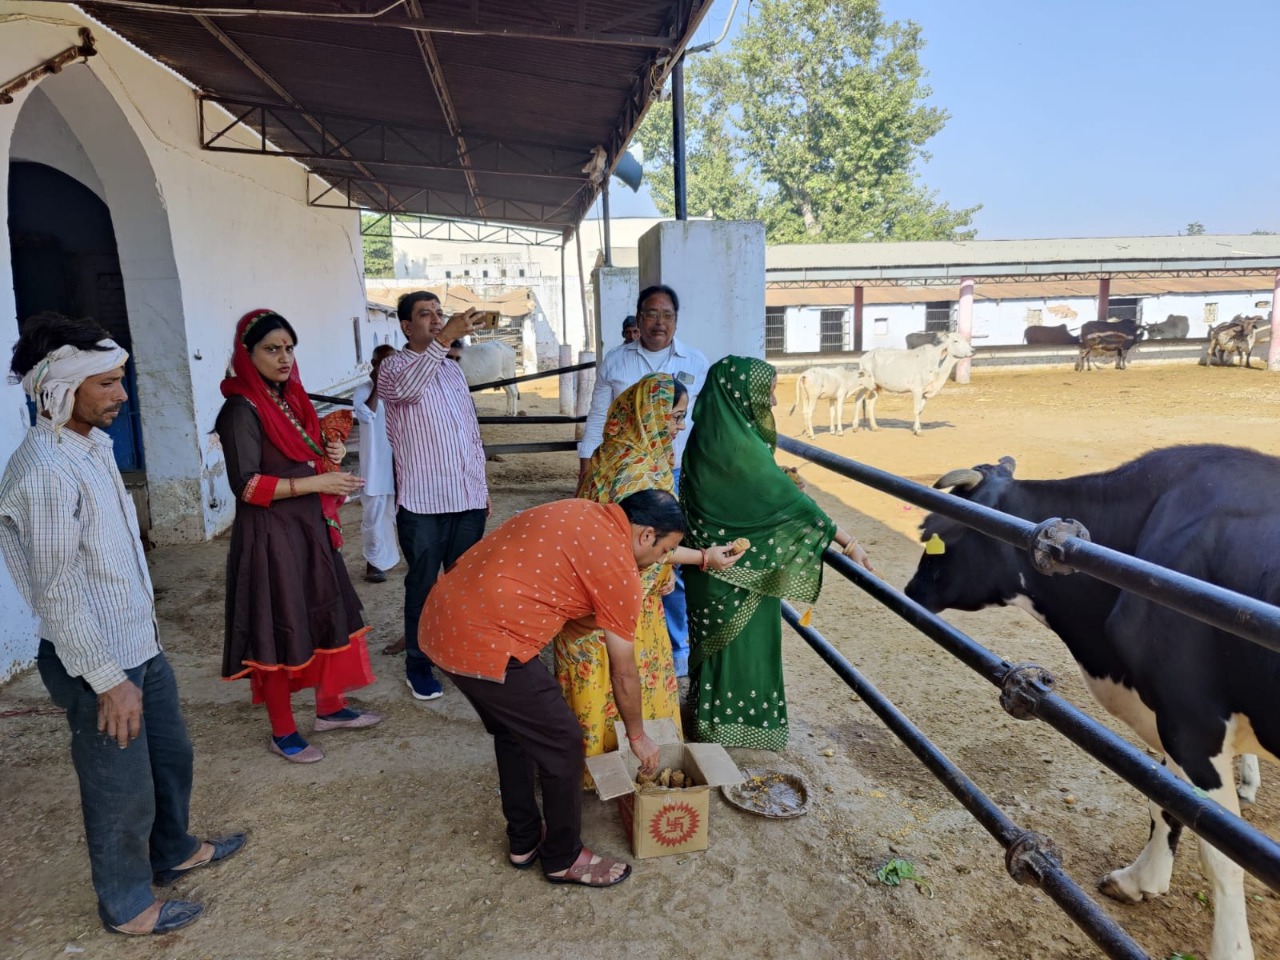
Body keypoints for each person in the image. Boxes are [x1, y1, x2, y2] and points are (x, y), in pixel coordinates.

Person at [0, 312, 245, 936]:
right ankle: (128, 904)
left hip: (138, 643)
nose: (123, 395)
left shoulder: (91, 447)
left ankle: (173, 850)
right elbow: (57, 592)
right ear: (61, 389)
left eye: (120, 379)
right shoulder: (46, 473)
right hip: (98, 661)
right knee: (118, 787)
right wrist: (109, 680)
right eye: (107, 383)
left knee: (171, 756)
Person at [421, 490, 690, 887]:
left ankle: (524, 840)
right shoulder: (620, 567)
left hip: (441, 619)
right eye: (665, 550)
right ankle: (563, 857)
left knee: (514, 733)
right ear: (646, 534)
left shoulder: (579, 509)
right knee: (563, 742)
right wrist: (637, 735)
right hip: (488, 639)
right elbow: (623, 673)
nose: (660, 560)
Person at [680, 356, 873, 752]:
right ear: (739, 394)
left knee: (719, 653)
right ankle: (736, 726)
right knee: (747, 649)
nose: (770, 400)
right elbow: (789, 505)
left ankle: (710, 718)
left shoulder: (709, 435)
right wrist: (848, 541)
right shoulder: (736, 446)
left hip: (709, 569)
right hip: (737, 569)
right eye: (764, 390)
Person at [555, 374, 741, 782]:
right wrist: (679, 564)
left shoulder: (616, 452)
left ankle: (600, 770)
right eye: (673, 417)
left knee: (608, 683)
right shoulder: (637, 471)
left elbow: (651, 545)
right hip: (619, 604)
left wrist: (701, 558)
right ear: (649, 414)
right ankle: (622, 762)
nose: (678, 427)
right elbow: (642, 548)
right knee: (621, 677)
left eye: (682, 418)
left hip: (605, 597)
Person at [216, 309, 381, 764]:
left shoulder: (290, 399)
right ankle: (283, 730)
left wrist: (328, 452)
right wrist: (317, 483)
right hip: (270, 534)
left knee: (324, 610)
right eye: (271, 349)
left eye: (289, 348)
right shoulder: (240, 408)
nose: (284, 357)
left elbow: (302, 454)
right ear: (246, 354)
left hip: (306, 526)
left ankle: (330, 708)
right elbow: (247, 485)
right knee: (279, 623)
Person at [578, 285, 710, 682]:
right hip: (624, 473)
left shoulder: (695, 361)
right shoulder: (616, 362)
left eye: (667, 314)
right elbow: (599, 417)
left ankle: (676, 648)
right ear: (638, 318)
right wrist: (588, 472)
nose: (659, 322)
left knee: (667, 561)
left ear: (676, 320)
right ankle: (620, 642)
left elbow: (696, 425)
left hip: (669, 471)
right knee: (623, 556)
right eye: (651, 313)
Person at [377, 291, 491, 701]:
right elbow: (407, 391)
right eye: (425, 314)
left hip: (467, 501)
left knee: (464, 585)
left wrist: (481, 489)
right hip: (424, 504)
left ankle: (459, 652)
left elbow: (469, 433)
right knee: (423, 586)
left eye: (440, 313)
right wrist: (445, 341)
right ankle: (418, 663)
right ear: (406, 326)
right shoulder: (392, 368)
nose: (437, 319)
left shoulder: (451, 371)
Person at [352, 344, 400, 583]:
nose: (389, 367)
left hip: (399, 463)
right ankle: (373, 563)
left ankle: (393, 559)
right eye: (384, 363)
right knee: (373, 518)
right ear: (374, 366)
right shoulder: (363, 390)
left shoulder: (402, 389)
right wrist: (378, 385)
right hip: (375, 466)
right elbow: (366, 415)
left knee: (398, 515)